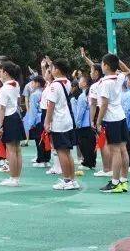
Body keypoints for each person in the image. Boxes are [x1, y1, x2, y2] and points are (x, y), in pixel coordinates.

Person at [95, 53, 129, 193]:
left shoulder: (105, 83)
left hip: (111, 119)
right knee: (123, 149)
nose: (101, 66)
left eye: (102, 63)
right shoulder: (119, 77)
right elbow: (128, 71)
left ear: (106, 66)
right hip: (121, 117)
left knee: (115, 151)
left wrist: (98, 122)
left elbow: (104, 104)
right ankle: (123, 181)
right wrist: (117, 60)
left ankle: (115, 183)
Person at [42, 59, 78, 190]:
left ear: (57, 70)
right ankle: (72, 180)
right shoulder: (67, 82)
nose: (51, 70)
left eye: (52, 68)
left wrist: (47, 122)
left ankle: (67, 180)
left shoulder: (54, 85)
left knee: (61, 151)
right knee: (67, 152)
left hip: (59, 121)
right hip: (67, 120)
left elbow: (51, 105)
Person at [0, 61, 25, 186]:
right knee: (17, 150)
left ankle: (13, 178)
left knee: (11, 150)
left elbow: (2, 109)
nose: (0, 73)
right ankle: (16, 177)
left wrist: (0, 125)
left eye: (1, 71)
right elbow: (17, 101)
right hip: (16, 117)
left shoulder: (4, 89)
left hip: (8, 118)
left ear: (6, 73)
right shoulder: (16, 84)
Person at [73, 73, 96, 175]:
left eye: (80, 81)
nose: (79, 82)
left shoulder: (83, 96)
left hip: (83, 124)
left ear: (85, 83)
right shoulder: (90, 94)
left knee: (84, 144)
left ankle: (87, 162)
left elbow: (80, 112)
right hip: (90, 122)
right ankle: (91, 162)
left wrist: (77, 123)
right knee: (91, 143)